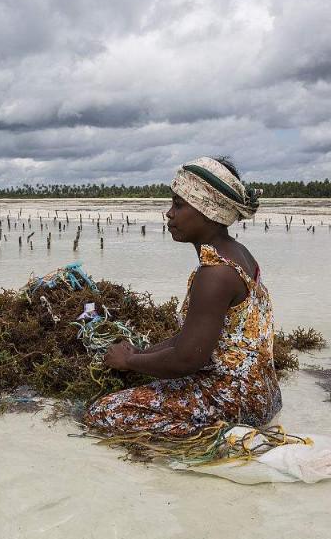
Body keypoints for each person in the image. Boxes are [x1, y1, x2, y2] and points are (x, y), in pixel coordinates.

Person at [83, 156, 281, 437]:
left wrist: (128, 362)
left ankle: (215, 438)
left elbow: (188, 360)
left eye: (178, 205)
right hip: (263, 393)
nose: (169, 213)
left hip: (234, 401)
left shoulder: (215, 274)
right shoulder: (237, 254)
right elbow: (190, 338)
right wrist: (138, 354)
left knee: (101, 413)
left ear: (208, 211)